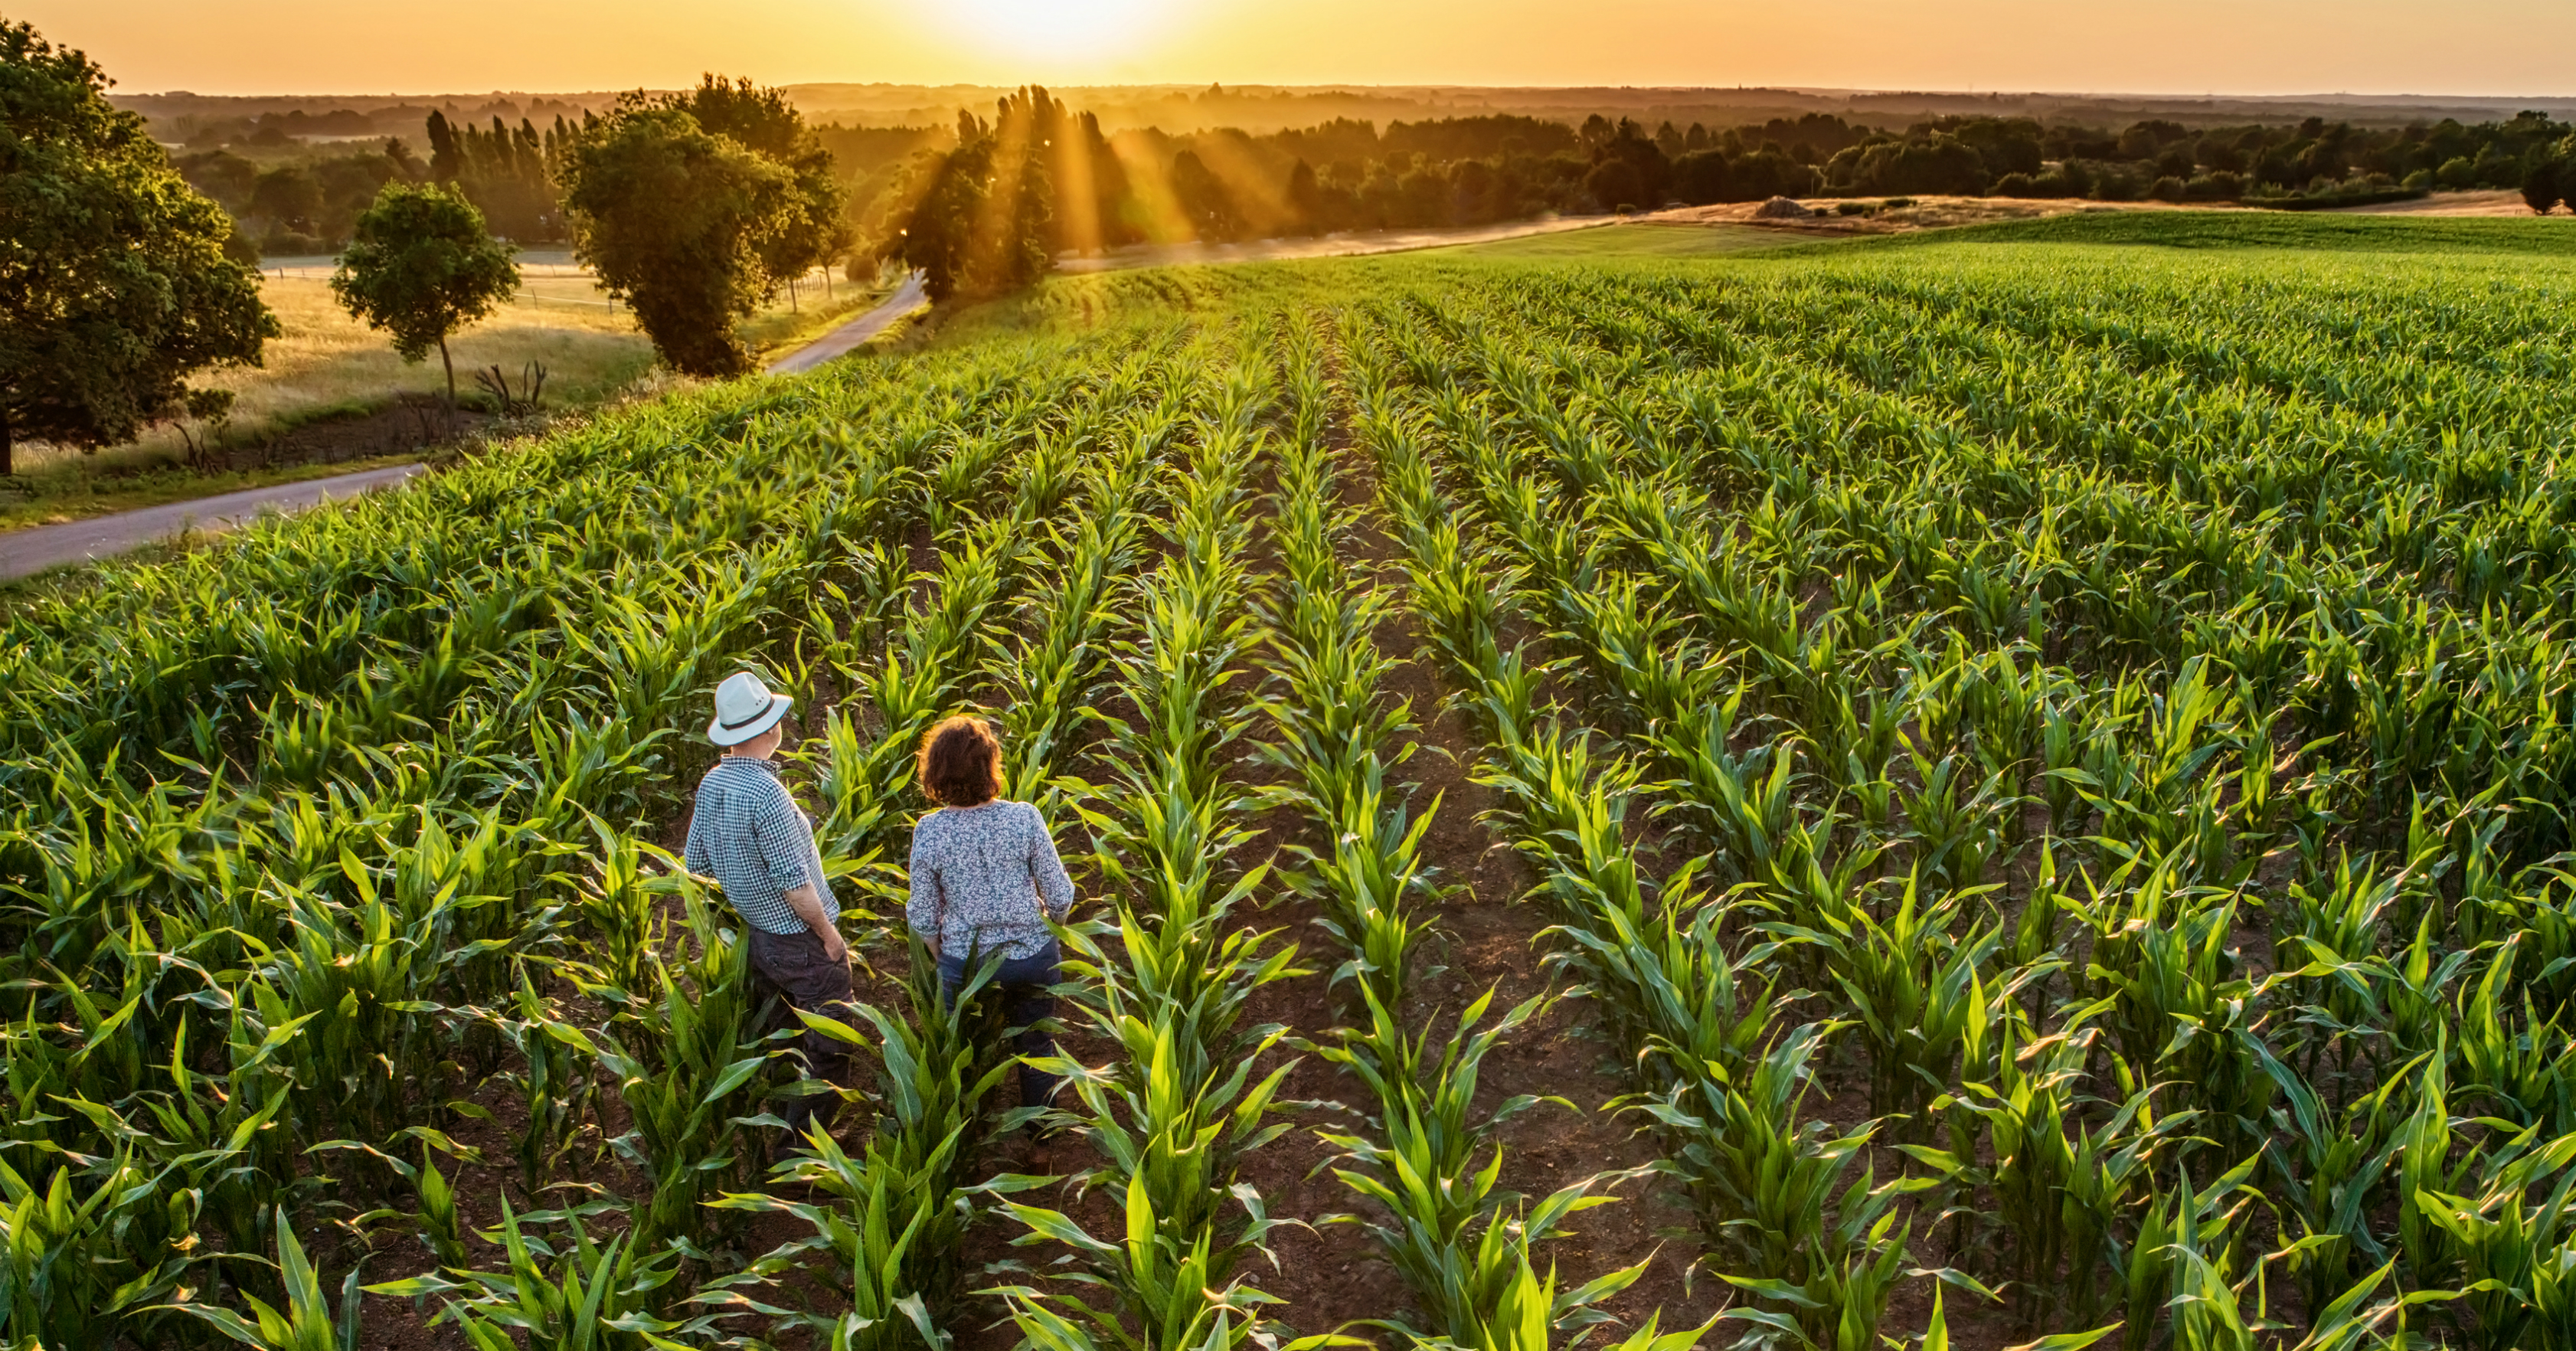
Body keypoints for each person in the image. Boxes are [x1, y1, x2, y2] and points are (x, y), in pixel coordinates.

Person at [682, 670, 852, 1160]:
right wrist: (830, 937)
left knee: (784, 1038)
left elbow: (697, 862)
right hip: (801, 939)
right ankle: (805, 1150)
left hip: (760, 941)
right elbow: (795, 885)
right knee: (830, 1042)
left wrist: (742, 877)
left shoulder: (713, 782)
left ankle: (780, 1124)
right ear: (768, 731)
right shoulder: (767, 795)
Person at [905, 715, 1076, 1144]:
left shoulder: (930, 831)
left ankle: (962, 1142)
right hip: (1031, 956)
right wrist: (1049, 934)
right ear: (990, 768)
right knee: (1036, 1046)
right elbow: (1061, 896)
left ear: (936, 774)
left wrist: (943, 957)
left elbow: (923, 919)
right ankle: (1041, 1145)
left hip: (966, 965)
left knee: (955, 1053)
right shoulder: (1024, 819)